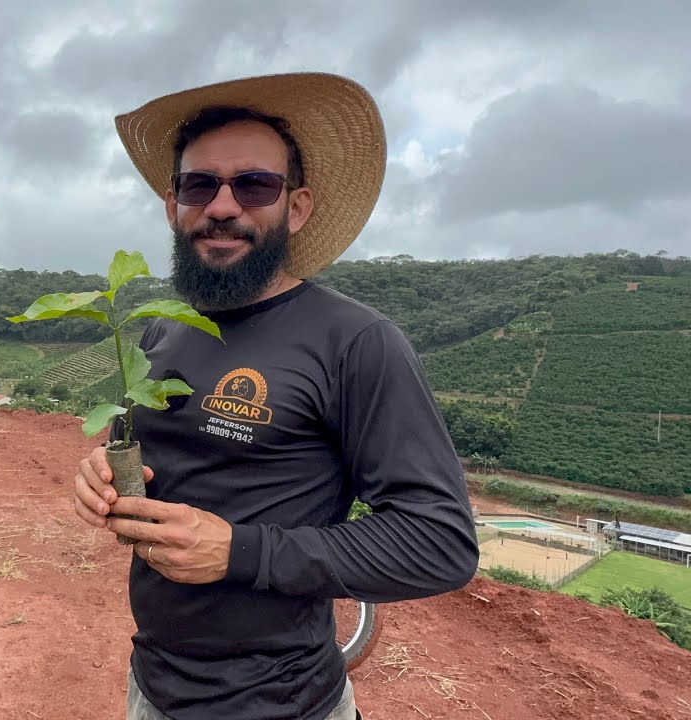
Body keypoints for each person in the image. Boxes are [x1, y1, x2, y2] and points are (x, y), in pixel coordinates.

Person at [75, 73, 480, 720]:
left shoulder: (356, 343)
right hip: (152, 689)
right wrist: (99, 470)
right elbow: (140, 448)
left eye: (255, 185)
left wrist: (238, 551)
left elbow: (439, 543)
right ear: (172, 204)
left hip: (284, 706)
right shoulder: (161, 323)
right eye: (199, 184)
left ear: (296, 207)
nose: (223, 206)